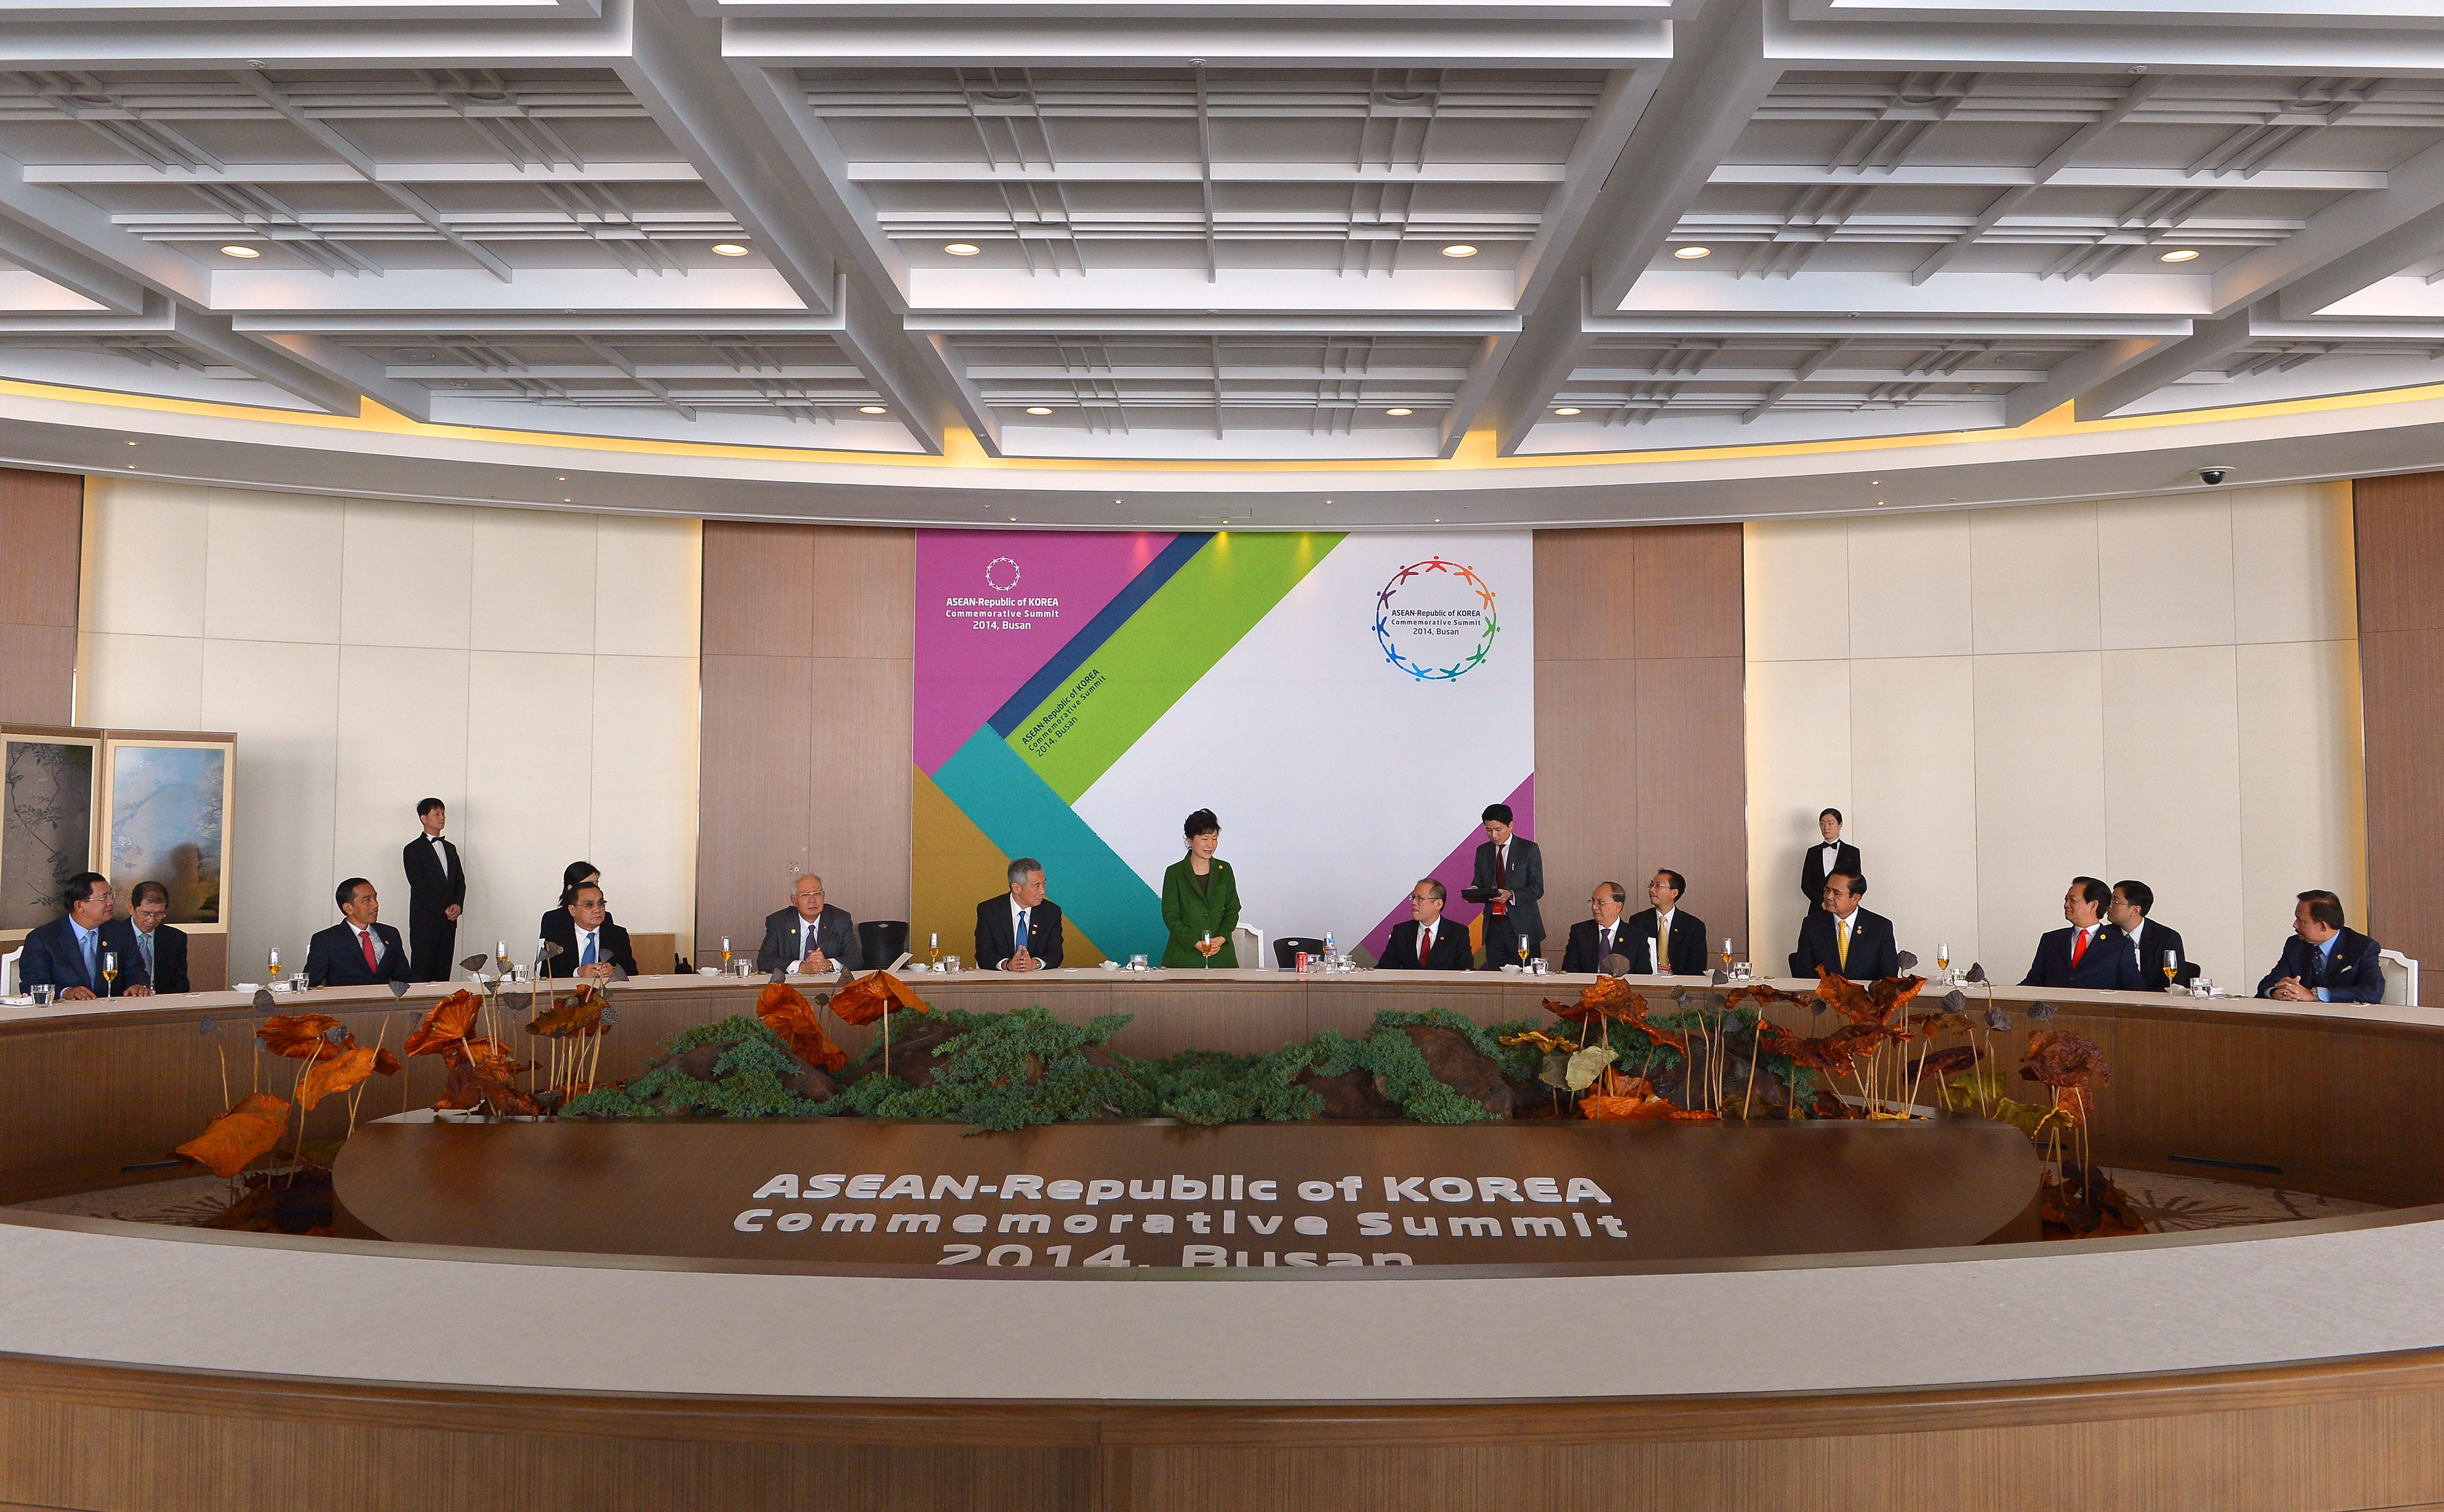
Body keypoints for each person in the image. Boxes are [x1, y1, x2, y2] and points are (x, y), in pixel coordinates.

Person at [2258, 890, 2385, 1004]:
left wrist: (2315, 995)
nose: (2295, 925)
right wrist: (2277, 992)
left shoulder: (2362, 947)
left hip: (2346, 1023)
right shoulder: (2295, 945)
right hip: (2303, 1021)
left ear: (2323, 927)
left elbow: (2373, 992)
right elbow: (2268, 983)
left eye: (2301, 920)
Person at [2022, 876, 2143, 991]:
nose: (2066, 905)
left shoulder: (2120, 945)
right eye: (2066, 900)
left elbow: (2133, 988)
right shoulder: (2051, 940)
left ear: (2093, 906)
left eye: (2073, 900)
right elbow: (2035, 980)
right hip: (2056, 1011)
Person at [1461, 803, 1543, 969]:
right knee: (1496, 976)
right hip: (1494, 926)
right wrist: (1475, 891)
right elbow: (1478, 881)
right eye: (1489, 830)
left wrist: (1511, 894)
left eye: (1498, 830)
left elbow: (1537, 888)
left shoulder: (1528, 849)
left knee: (1527, 975)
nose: (1494, 835)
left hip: (1523, 925)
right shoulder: (1483, 851)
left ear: (1511, 825)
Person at [1161, 809, 1241, 969]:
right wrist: (1195, 942)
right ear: (1190, 839)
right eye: (1205, 839)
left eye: (1215, 838)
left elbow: (1233, 910)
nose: (1210, 845)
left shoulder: (1224, 870)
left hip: (1221, 955)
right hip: (1184, 956)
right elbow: (1171, 916)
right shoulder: (1175, 873)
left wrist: (1222, 937)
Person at [19, 872, 117, 1001]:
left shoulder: (119, 932)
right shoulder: (43, 938)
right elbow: (32, 985)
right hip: (63, 1015)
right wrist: (65, 992)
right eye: (103, 899)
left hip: (112, 1012)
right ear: (80, 906)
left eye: (111, 895)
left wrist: (138, 985)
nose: (111, 902)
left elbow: (135, 970)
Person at [305, 878, 414, 989]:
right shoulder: (326, 940)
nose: (375, 905)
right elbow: (311, 983)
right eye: (367, 900)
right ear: (348, 908)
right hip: (347, 1003)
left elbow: (404, 976)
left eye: (375, 898)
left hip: (387, 1003)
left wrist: (429, 988)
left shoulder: (390, 934)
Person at [402, 798, 465, 983]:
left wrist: (457, 905)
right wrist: (442, 908)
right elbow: (419, 886)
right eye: (436, 813)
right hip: (425, 921)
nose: (442, 817)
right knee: (422, 970)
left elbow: (460, 881)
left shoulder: (450, 848)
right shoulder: (413, 849)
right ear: (423, 818)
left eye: (443, 813)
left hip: (448, 922)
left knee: (444, 971)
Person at [1793, 871, 1898, 981]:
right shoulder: (1812, 925)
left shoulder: (1880, 927)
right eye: (1827, 890)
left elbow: (1889, 975)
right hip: (1823, 996)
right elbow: (1804, 972)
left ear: (1855, 899)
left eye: (1837, 893)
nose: (1829, 897)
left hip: (1866, 996)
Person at [755, 873, 859, 975]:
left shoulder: (840, 920)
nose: (813, 900)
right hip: (790, 987)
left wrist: (828, 965)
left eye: (817, 894)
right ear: (794, 900)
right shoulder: (778, 922)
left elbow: (856, 959)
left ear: (824, 896)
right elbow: (764, 961)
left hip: (830, 985)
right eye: (805, 895)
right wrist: (801, 967)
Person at [976, 858, 1064, 972]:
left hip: (1038, 983)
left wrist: (1034, 964)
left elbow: (1056, 954)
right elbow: (984, 954)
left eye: (1044, 884)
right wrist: (1008, 965)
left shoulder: (1051, 912)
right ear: (1016, 888)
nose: (1042, 891)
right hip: (1000, 983)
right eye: (1037, 886)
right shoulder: (989, 911)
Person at [107, 880, 189, 996]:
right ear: (131, 908)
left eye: (159, 914)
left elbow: (181, 984)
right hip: (123, 1002)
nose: (152, 920)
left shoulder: (175, 938)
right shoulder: (115, 935)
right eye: (146, 914)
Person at [1623, 869, 1708, 977]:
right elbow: (1633, 961)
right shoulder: (1638, 921)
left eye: (1658, 886)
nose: (1652, 890)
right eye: (1651, 885)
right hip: (1647, 983)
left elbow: (1697, 967)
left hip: (1682, 986)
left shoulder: (1694, 926)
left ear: (1674, 893)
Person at [2108, 880, 2187, 992]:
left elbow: (2173, 983)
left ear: (2135, 910)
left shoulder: (2167, 938)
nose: (2109, 906)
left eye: (2116, 902)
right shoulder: (2106, 935)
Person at [1380, 879, 1472, 971]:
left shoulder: (1458, 932)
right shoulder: (1401, 931)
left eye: (1420, 898)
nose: (1414, 902)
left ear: (1438, 904)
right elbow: (1384, 968)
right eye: (1413, 897)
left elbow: (1465, 971)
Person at [1800, 809, 1863, 917]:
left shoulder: (1852, 852)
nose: (1826, 827)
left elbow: (1856, 883)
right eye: (1822, 823)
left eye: (1831, 823)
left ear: (1840, 825)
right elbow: (1806, 884)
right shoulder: (1813, 852)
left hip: (1844, 909)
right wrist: (1822, 902)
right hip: (1817, 908)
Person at [1560, 883, 1632, 974]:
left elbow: (1643, 975)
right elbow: (1569, 969)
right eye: (1593, 901)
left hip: (1622, 987)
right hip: (1587, 986)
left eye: (1601, 903)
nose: (1594, 907)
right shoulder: (1580, 932)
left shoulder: (1636, 936)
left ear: (1617, 907)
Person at [539, 861, 612, 943]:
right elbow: (547, 953)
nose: (595, 888)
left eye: (597, 883)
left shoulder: (605, 917)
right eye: (589, 884)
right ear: (571, 888)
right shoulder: (552, 919)